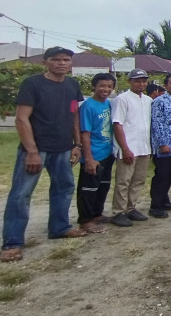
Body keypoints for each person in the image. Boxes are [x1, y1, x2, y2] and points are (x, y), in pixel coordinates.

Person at [0, 47, 86, 262]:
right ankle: (12, 242)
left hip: (63, 148)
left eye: (66, 59)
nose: (62, 63)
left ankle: (59, 227)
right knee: (21, 194)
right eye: (56, 60)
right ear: (45, 62)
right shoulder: (32, 84)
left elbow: (74, 115)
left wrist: (77, 144)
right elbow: (21, 119)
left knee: (64, 188)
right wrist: (31, 151)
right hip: (37, 149)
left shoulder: (72, 85)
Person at [110, 68, 153, 227]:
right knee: (123, 181)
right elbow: (117, 124)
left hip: (144, 147)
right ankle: (118, 212)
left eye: (144, 81)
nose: (141, 84)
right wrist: (125, 149)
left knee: (138, 180)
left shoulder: (148, 100)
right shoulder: (122, 99)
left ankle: (131, 208)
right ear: (130, 82)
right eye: (137, 81)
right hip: (129, 147)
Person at [76, 73, 116, 234]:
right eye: (102, 86)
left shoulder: (108, 104)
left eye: (109, 86)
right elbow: (85, 133)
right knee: (88, 189)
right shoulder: (88, 106)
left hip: (107, 152)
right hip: (94, 154)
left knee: (103, 186)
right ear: (94, 86)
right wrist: (88, 158)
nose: (106, 89)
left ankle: (96, 214)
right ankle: (85, 220)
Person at [148, 74, 171, 219]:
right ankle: (155, 206)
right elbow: (156, 124)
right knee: (161, 176)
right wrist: (162, 143)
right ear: (166, 85)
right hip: (164, 146)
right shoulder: (159, 101)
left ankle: (164, 200)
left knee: (170, 175)